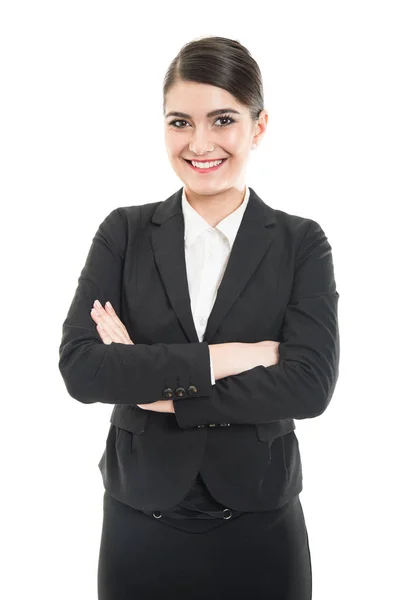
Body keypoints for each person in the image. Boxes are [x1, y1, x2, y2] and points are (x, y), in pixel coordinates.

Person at [58, 35, 340, 600]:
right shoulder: (125, 232)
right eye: (180, 122)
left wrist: (155, 381)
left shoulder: (300, 241)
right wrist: (233, 359)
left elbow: (309, 387)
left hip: (261, 521)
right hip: (140, 519)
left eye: (222, 119)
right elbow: (83, 369)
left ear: (258, 127)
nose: (199, 142)